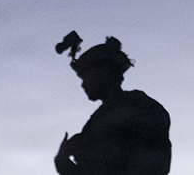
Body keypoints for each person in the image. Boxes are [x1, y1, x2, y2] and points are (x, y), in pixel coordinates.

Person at [55, 36, 171, 175]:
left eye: (87, 76)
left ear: (104, 72)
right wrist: (63, 158)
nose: (83, 84)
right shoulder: (94, 123)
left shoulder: (141, 107)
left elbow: (155, 165)